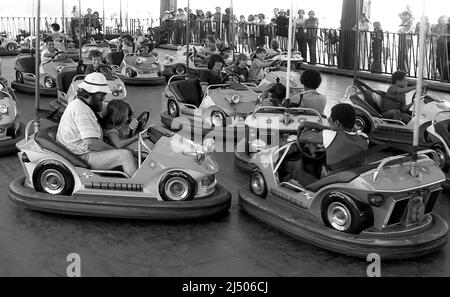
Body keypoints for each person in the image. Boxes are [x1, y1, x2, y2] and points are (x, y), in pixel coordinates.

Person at [56, 73, 138, 177]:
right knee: (125, 155)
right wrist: (117, 150)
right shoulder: (81, 110)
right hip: (80, 155)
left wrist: (129, 118)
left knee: (129, 153)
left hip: (81, 151)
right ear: (91, 93)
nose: (104, 98)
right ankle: (141, 188)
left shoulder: (88, 104)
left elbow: (112, 108)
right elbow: (92, 143)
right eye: (102, 95)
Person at [295, 103, 369, 177]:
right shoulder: (364, 139)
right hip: (351, 179)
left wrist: (307, 125)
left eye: (331, 117)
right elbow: (340, 131)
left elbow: (301, 137)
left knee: (292, 168)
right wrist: (315, 125)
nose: (328, 119)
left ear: (337, 123)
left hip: (330, 181)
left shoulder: (329, 135)